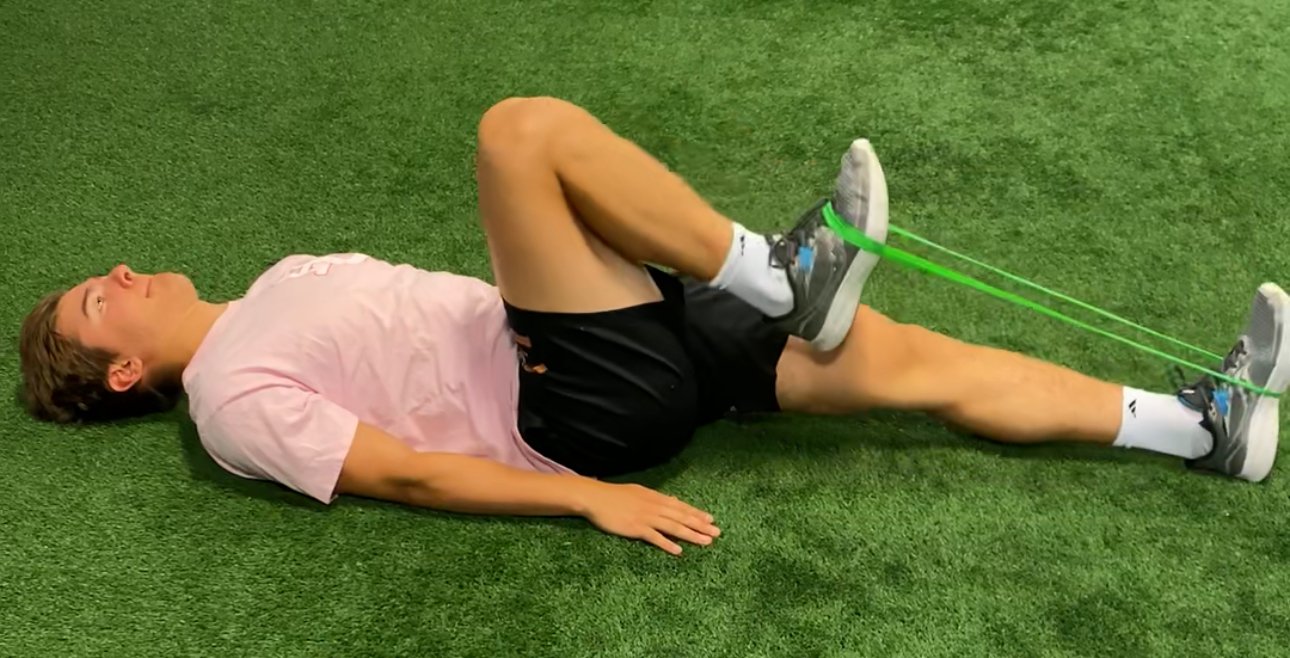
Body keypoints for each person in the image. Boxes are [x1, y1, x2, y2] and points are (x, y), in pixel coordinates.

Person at [18, 97, 1289, 556]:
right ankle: (777, 275)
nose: (121, 272)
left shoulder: (278, 276)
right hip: (568, 399)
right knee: (521, 133)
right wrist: (582, 498)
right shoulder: (228, 397)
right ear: (123, 366)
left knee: (925, 368)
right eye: (98, 296)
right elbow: (397, 470)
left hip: (605, 320)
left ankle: (1203, 429)